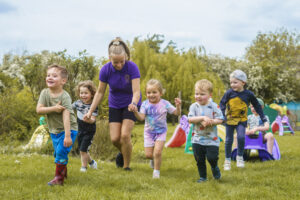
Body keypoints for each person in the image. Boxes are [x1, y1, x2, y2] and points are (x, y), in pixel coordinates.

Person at [84, 37, 141, 171]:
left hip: (130, 103)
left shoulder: (132, 67)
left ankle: (126, 166)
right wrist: (90, 111)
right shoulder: (105, 70)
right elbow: (99, 92)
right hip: (115, 104)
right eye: (116, 62)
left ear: (126, 56)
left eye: (122, 61)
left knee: (125, 135)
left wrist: (133, 103)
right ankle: (123, 151)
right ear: (109, 58)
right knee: (115, 139)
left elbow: (137, 91)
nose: (120, 65)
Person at [36, 64, 78, 186]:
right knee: (58, 153)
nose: (50, 77)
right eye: (48, 75)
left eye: (54, 76)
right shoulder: (44, 93)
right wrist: (54, 108)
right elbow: (39, 110)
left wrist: (68, 136)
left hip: (69, 129)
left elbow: (66, 116)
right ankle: (63, 172)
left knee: (60, 152)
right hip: (54, 130)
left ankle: (59, 179)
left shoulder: (65, 96)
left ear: (63, 81)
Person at [133, 79, 181, 179]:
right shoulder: (145, 104)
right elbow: (141, 118)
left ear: (160, 93)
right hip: (149, 133)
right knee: (149, 155)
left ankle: (156, 172)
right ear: (146, 94)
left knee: (158, 152)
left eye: (154, 92)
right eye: (149, 92)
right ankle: (153, 159)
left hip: (161, 132)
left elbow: (176, 113)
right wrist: (135, 112)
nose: (151, 95)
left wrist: (178, 106)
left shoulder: (165, 103)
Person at [220, 70, 267, 170]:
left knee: (241, 137)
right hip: (230, 120)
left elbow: (257, 106)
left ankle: (240, 157)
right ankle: (227, 160)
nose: (232, 85)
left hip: (241, 120)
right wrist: (222, 115)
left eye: (235, 82)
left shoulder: (248, 94)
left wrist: (263, 118)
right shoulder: (228, 93)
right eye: (231, 82)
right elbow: (222, 103)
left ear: (243, 82)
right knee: (228, 140)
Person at [188, 79, 224, 183]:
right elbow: (190, 119)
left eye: (202, 94)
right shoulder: (194, 106)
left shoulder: (213, 106)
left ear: (210, 95)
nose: (198, 96)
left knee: (212, 158)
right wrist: (202, 118)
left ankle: (214, 167)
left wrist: (211, 121)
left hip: (212, 139)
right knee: (199, 160)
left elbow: (221, 119)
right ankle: (203, 177)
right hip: (197, 139)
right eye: (196, 93)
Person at [72, 80, 98, 172]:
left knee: (83, 150)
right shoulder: (78, 103)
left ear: (92, 93)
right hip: (80, 129)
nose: (83, 95)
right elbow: (69, 108)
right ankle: (92, 163)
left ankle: (84, 167)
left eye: (86, 93)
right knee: (83, 149)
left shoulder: (93, 105)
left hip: (89, 130)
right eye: (81, 93)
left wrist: (89, 119)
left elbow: (93, 120)